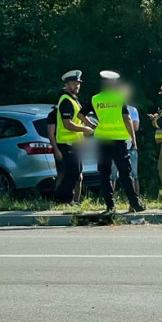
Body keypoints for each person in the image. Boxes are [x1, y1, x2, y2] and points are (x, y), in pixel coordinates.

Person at [90, 71, 145, 214]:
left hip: (102, 140)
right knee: (125, 174)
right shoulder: (119, 98)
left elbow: (81, 115)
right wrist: (133, 139)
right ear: (113, 84)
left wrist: (94, 126)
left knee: (105, 174)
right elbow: (127, 120)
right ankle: (135, 203)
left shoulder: (95, 99)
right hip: (119, 141)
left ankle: (110, 206)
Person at [52, 70, 94, 204]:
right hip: (66, 142)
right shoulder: (66, 101)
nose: (76, 86)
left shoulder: (73, 100)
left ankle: (64, 198)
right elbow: (67, 124)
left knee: (76, 171)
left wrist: (92, 126)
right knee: (73, 172)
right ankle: (62, 199)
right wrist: (84, 129)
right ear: (66, 84)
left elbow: (80, 118)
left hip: (74, 142)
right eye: (73, 83)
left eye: (78, 83)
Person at [110, 82, 140, 196]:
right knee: (112, 175)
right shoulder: (112, 109)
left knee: (134, 175)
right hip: (115, 144)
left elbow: (136, 127)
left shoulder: (132, 110)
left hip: (130, 145)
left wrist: (124, 120)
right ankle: (111, 198)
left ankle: (136, 197)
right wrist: (126, 123)